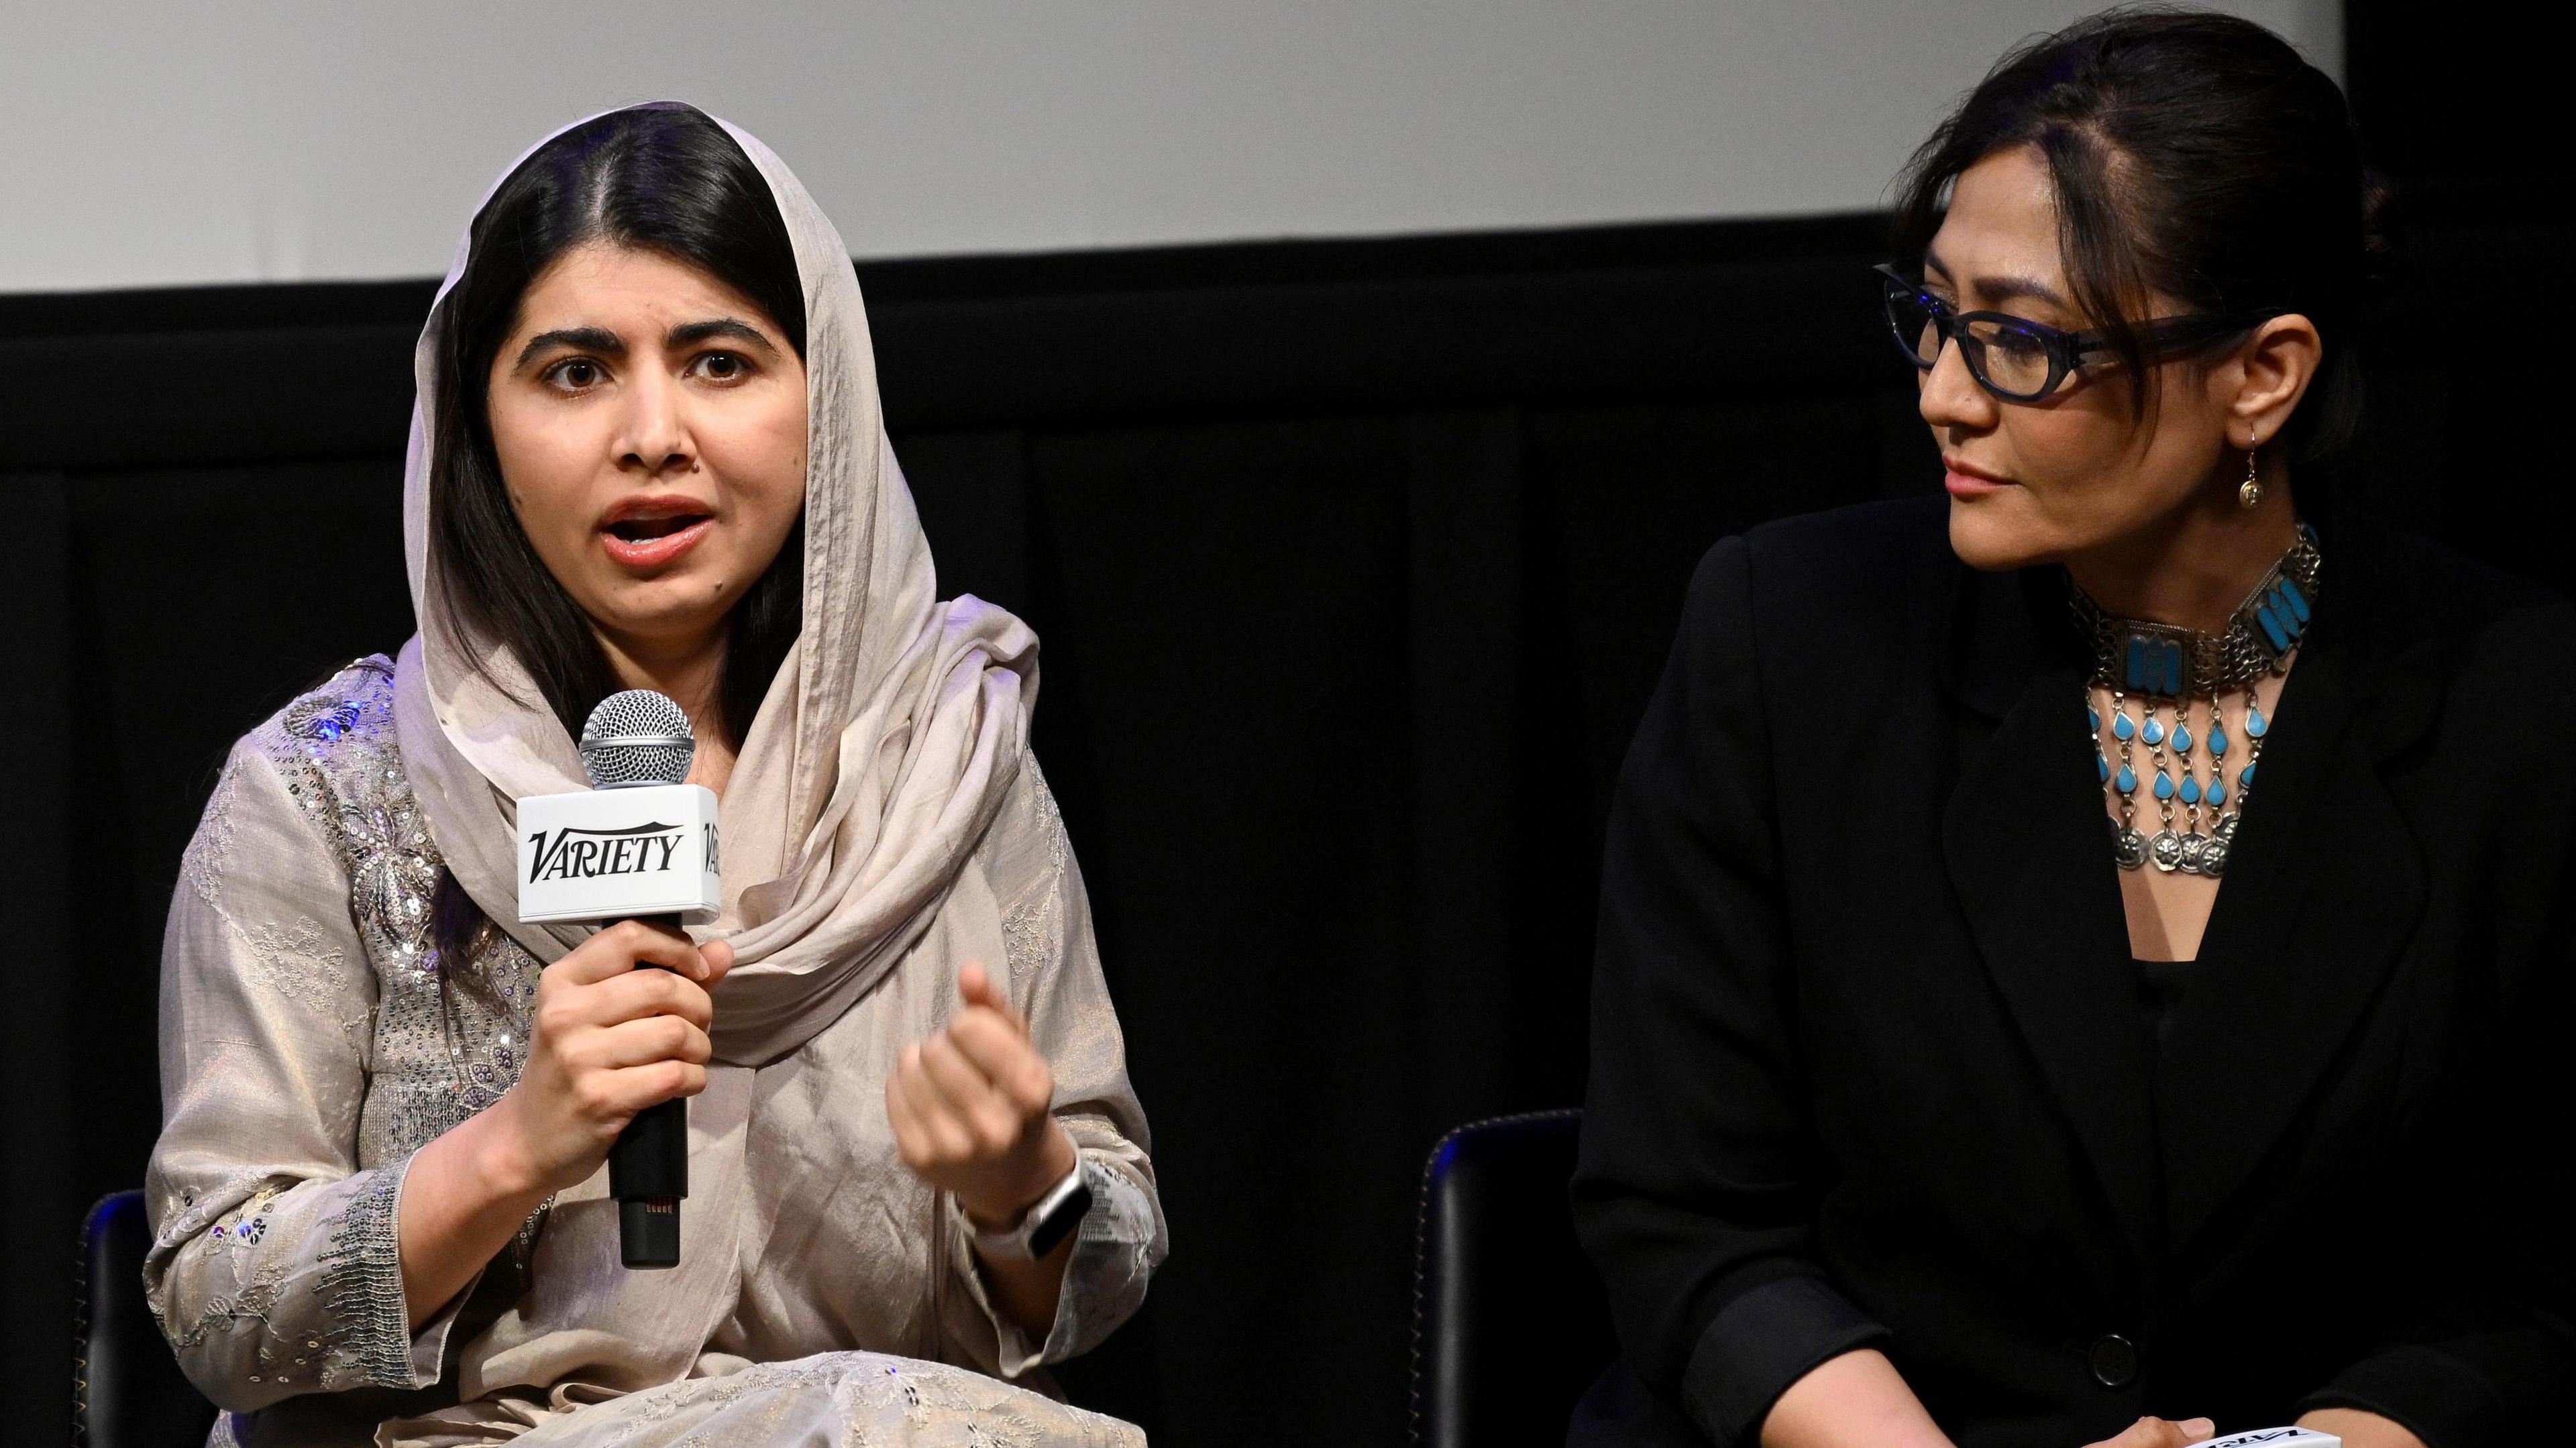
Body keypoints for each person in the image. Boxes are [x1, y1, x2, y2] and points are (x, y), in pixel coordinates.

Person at [1572, 11, 2571, 1448]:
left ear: (2262, 376)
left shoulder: (2515, 706)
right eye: (1931, 315)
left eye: (2023, 345)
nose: (1943, 396)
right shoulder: (1785, 640)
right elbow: (1685, 1218)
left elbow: (2533, 1275)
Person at [145, 103, 1165, 1448]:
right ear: (476, 423)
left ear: (826, 402)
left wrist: (1022, 1188)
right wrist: (513, 1148)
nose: (652, 434)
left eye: (720, 363)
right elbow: (216, 1302)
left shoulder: (945, 764)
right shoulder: (325, 796)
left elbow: (1102, 1259)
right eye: (574, 371)